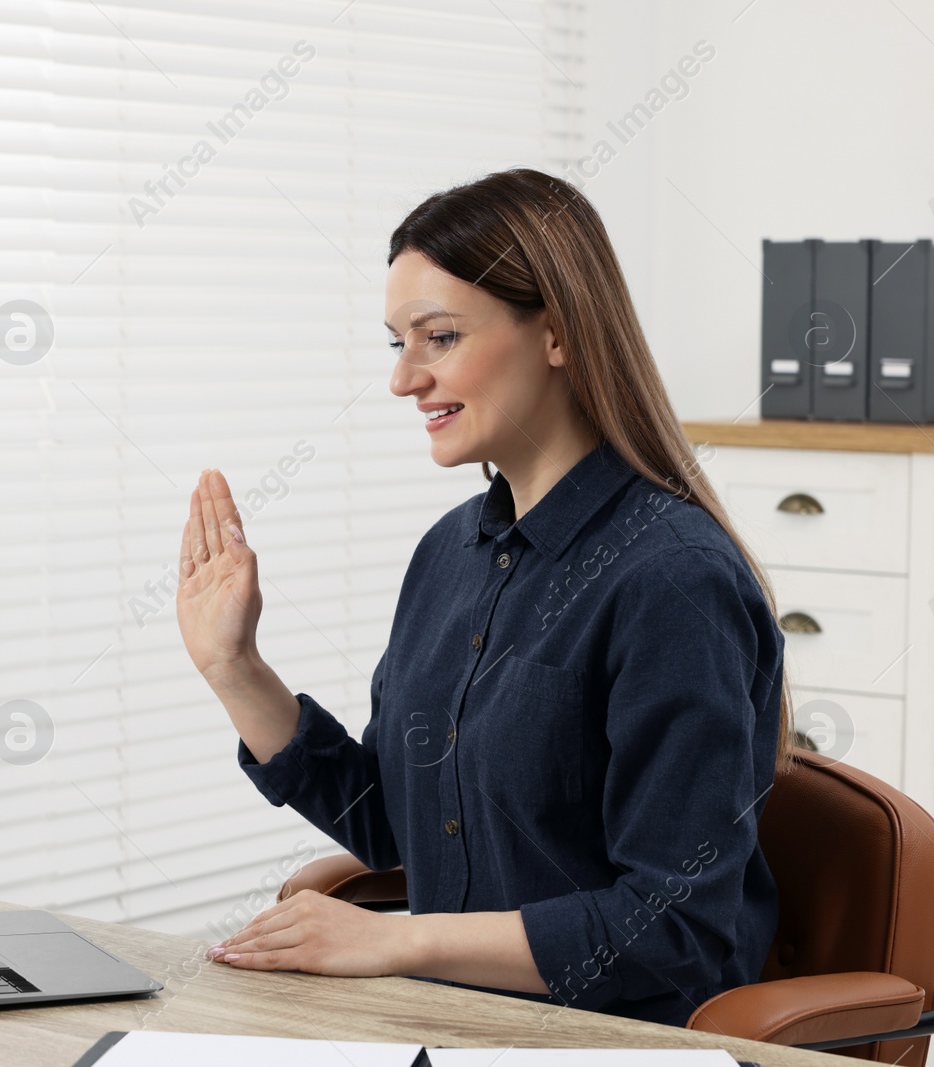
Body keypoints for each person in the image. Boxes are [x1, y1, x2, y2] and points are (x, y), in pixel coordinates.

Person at [174, 168, 792, 1027]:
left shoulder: (673, 579)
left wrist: (397, 942)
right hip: (454, 1026)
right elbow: (399, 826)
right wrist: (236, 668)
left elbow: (672, 928)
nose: (404, 379)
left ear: (558, 334)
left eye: (440, 337)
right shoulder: (449, 555)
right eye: (399, 343)